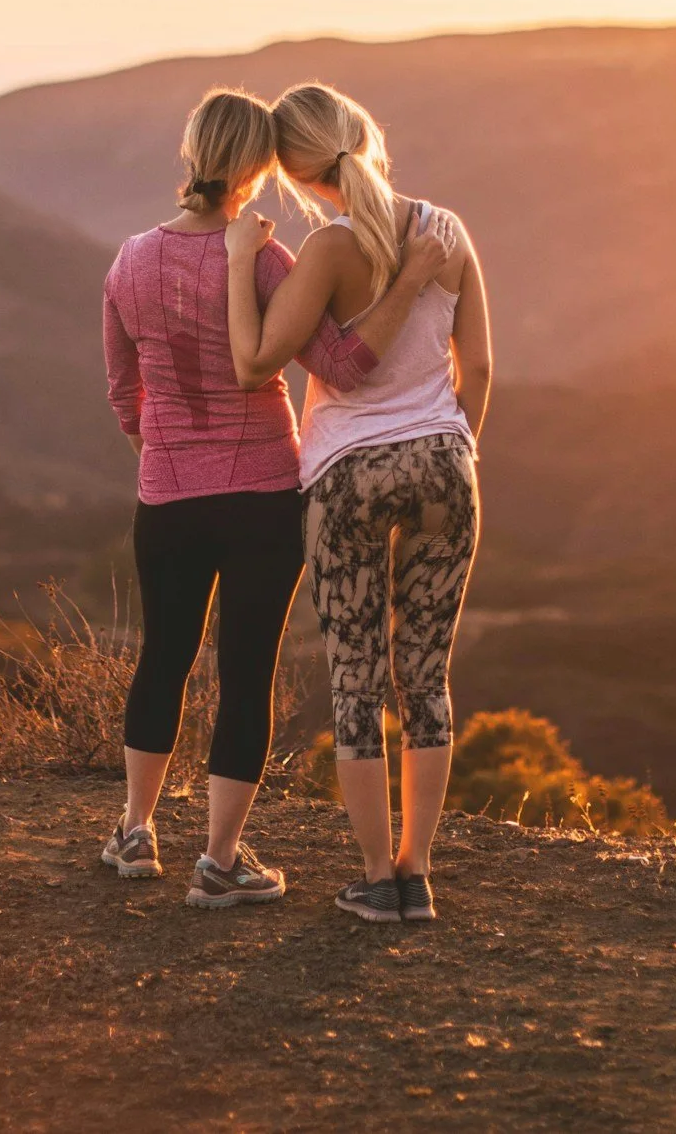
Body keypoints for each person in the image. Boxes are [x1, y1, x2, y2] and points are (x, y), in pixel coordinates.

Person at [100, 88, 452, 907]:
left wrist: (158, 449)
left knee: (164, 656)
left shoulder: (130, 261)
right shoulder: (267, 263)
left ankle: (135, 830)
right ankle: (221, 860)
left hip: (169, 495)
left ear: (190, 155)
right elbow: (343, 365)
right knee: (245, 671)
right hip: (263, 495)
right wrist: (407, 285)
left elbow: (123, 386)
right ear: (259, 170)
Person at [223, 82, 490, 925]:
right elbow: (477, 369)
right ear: (366, 134)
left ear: (299, 177)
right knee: (427, 673)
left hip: (347, 478)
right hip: (447, 463)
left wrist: (239, 264)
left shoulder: (330, 253)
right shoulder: (446, 232)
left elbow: (276, 356)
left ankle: (379, 876)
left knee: (357, 677)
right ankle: (420, 870)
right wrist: (454, 446)